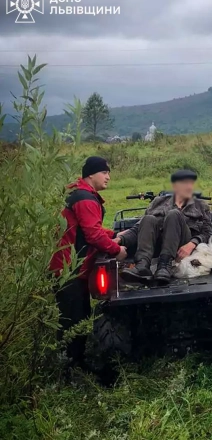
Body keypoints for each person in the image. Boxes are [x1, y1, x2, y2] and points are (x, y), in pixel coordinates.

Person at [49, 156, 127, 368]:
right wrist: (117, 249)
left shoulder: (80, 194)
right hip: (68, 270)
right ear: (91, 174)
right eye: (104, 172)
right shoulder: (85, 198)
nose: (108, 177)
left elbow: (88, 228)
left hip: (70, 269)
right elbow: (92, 235)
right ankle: (69, 368)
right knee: (72, 320)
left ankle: (75, 362)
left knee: (77, 315)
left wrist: (115, 233)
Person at [118, 169, 212, 285]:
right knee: (148, 219)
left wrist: (192, 243)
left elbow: (207, 232)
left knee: (174, 214)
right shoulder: (158, 202)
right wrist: (120, 240)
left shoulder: (201, 206)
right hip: (158, 244)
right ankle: (142, 265)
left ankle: (164, 265)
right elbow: (140, 227)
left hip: (182, 245)